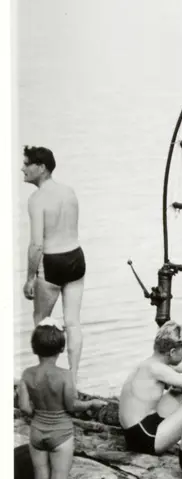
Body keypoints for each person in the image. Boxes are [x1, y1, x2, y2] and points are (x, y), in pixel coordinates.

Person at [22, 146, 85, 380]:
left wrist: (29, 278)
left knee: (41, 321)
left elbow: (36, 244)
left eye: (27, 164)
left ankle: (45, 376)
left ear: (41, 168)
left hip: (52, 261)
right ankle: (73, 378)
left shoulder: (36, 199)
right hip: (75, 256)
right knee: (73, 323)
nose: (22, 168)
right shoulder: (69, 191)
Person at [17, 323, 84, 479]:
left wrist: (38, 411)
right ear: (62, 349)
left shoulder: (27, 374)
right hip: (61, 433)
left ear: (34, 348)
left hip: (37, 431)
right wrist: (90, 403)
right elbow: (71, 406)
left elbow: (24, 407)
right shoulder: (65, 375)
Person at [118, 322, 182, 454]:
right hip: (146, 439)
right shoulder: (158, 369)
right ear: (172, 352)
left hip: (135, 433)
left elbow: (177, 380)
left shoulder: (149, 364)